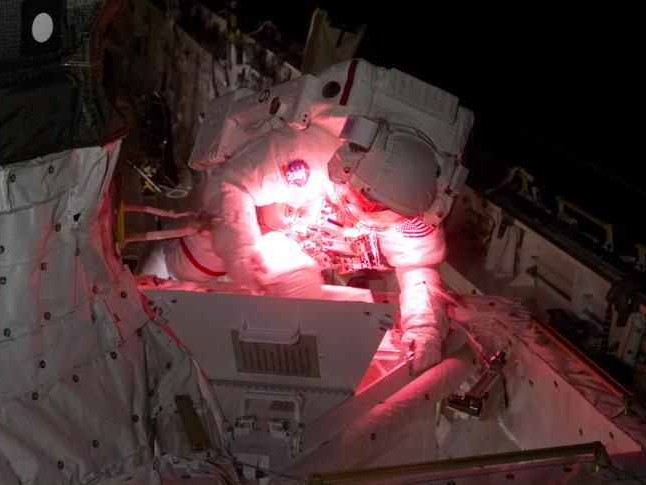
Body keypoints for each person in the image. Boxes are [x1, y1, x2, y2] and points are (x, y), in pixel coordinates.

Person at [152, 118, 452, 374]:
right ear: (348, 168)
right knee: (187, 267)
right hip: (243, 221)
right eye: (363, 200)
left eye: (378, 210)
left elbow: (419, 267)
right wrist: (239, 252)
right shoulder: (307, 153)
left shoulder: (414, 212)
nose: (366, 211)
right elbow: (230, 183)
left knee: (301, 302)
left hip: (291, 251)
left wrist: (424, 328)